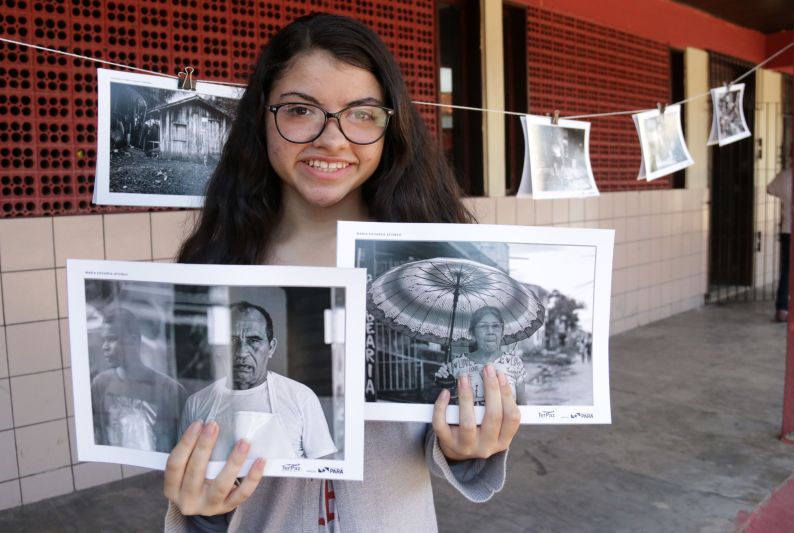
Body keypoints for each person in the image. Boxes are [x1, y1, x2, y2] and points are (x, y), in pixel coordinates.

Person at [163, 13, 521, 532]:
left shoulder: (428, 261)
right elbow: (195, 464)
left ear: (390, 126)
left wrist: (467, 445)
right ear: (261, 118)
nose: (332, 139)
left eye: (362, 113)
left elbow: (437, 429)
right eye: (300, 110)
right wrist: (201, 512)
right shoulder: (216, 263)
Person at [179, 301, 337, 460]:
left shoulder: (301, 397)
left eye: (253, 340)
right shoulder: (196, 403)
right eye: (232, 340)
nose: (241, 353)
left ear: (271, 347)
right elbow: (181, 464)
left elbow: (324, 469)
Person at [91, 307, 186, 453]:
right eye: (104, 340)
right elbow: (98, 436)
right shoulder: (100, 385)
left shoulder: (171, 391)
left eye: (112, 339)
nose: (105, 346)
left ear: (133, 341)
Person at [434, 306, 528, 406]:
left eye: (495, 326)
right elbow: (447, 403)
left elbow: (522, 405)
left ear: (502, 332)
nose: (490, 331)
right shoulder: (457, 364)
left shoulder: (514, 363)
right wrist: (443, 380)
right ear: (473, 333)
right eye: (483, 326)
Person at [767, 166, 792, 322]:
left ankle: (782, 310)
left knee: (786, 270)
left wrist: (784, 196)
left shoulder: (784, 176)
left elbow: (769, 189)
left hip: (788, 230)